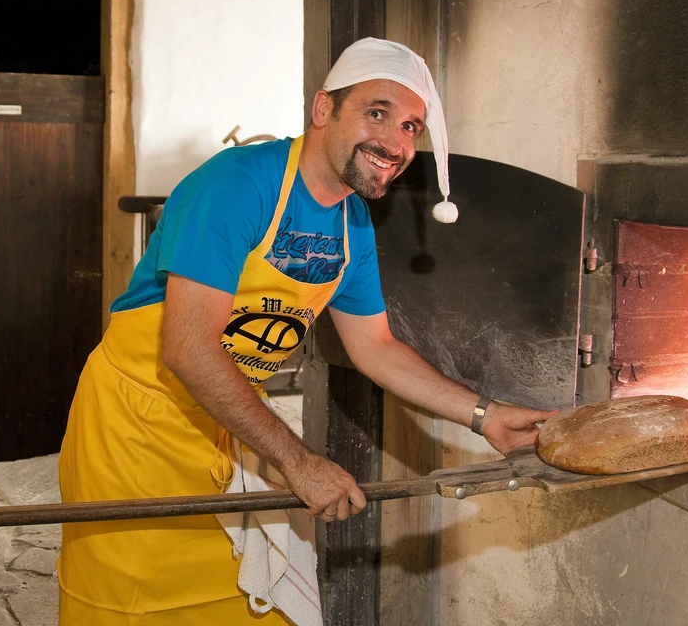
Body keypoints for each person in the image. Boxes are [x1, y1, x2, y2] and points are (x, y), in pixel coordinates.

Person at [57, 37, 555, 626]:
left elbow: (376, 348)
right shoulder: (238, 184)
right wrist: (297, 460)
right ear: (324, 108)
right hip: (138, 427)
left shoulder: (352, 224)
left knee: (251, 608)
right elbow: (189, 348)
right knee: (129, 608)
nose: (396, 144)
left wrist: (485, 416)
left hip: (228, 420)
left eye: (410, 127)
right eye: (377, 113)